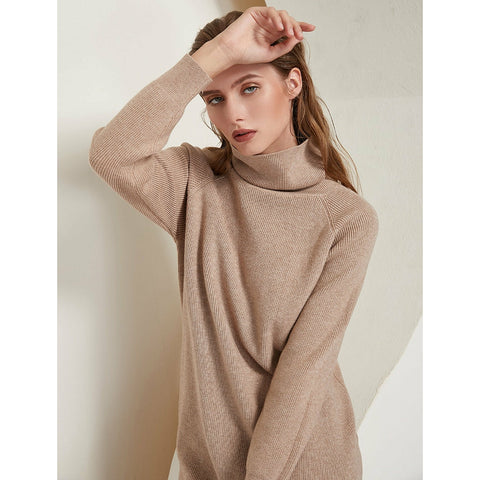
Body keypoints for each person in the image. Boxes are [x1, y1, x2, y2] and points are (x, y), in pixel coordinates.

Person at [89, 6, 379, 480]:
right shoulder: (196, 183)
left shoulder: (346, 219)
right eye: (214, 98)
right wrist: (216, 53)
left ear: (293, 83)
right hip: (207, 464)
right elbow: (112, 154)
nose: (233, 114)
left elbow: (304, 371)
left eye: (249, 88)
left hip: (303, 463)